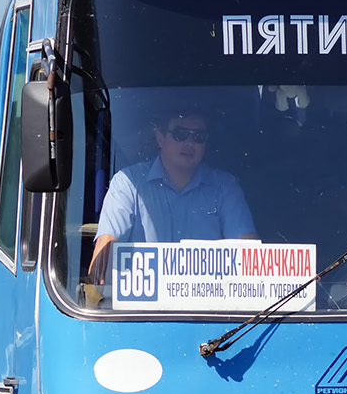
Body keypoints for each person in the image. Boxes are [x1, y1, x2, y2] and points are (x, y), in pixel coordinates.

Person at [88, 107, 258, 282]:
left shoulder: (225, 187)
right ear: (160, 138)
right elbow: (106, 245)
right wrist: (96, 288)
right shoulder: (128, 182)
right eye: (180, 134)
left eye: (198, 137)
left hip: (208, 305)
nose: (189, 143)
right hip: (139, 307)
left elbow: (248, 252)